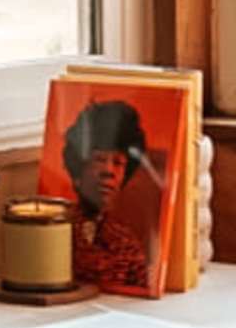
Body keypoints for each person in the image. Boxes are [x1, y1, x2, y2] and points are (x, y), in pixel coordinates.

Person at [55, 95, 169, 294]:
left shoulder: (127, 244)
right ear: (78, 169)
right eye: (99, 159)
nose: (109, 171)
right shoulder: (55, 231)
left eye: (118, 163)